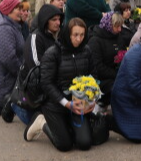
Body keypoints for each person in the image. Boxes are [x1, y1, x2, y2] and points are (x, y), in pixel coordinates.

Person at [26, 18, 109, 151]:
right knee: (64, 145)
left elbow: (94, 76)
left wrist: (92, 100)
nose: (79, 39)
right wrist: (66, 103)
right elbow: (47, 83)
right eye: (75, 35)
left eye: (82, 35)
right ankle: (42, 122)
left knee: (84, 143)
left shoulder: (86, 51)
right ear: (67, 34)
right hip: (55, 103)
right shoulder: (53, 53)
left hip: (78, 102)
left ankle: (68, 127)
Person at [15, 4, 63, 127]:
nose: (58, 23)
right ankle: (12, 103)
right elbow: (36, 64)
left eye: (59, 19)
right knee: (35, 121)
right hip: (32, 85)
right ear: (45, 21)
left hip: (49, 82)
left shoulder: (59, 36)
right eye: (54, 20)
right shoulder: (35, 37)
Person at [90, 12, 125, 104]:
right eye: (117, 26)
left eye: (120, 26)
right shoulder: (95, 41)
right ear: (109, 25)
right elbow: (97, 67)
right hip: (102, 80)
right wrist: (116, 74)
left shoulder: (118, 37)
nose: (120, 29)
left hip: (117, 75)